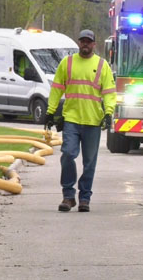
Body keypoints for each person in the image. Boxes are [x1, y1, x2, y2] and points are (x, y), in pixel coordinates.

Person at [45, 29, 116, 213]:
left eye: (89, 41)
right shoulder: (67, 63)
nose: (85, 44)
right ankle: (68, 196)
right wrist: (51, 112)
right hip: (72, 120)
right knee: (68, 154)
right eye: (83, 41)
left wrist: (108, 113)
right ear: (79, 43)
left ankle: (84, 198)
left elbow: (109, 92)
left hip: (93, 122)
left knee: (89, 162)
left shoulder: (102, 66)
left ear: (94, 44)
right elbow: (57, 89)